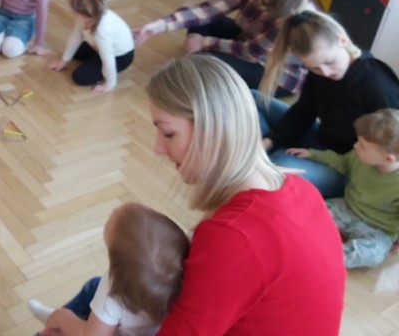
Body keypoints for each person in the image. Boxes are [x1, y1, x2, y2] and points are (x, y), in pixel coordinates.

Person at [147, 55, 345, 334]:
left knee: (98, 298)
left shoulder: (233, 235)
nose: (157, 148)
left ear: (212, 131)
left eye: (168, 134)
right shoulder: (302, 189)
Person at [133, 0, 314, 97]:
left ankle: (201, 69)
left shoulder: (291, 17)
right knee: (200, 20)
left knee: (209, 62)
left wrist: (204, 42)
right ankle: (198, 63)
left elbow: (251, 52)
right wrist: (156, 26)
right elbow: (206, 10)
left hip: (275, 73)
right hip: (248, 41)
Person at [259, 10, 399, 198]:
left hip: (351, 165)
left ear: (342, 41)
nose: (324, 72)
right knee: (253, 98)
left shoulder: (374, 81)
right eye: (314, 67)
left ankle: (271, 158)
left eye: (329, 62)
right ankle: (267, 151)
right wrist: (270, 141)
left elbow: (393, 141)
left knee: (279, 166)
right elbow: (302, 113)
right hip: (322, 141)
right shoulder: (319, 74)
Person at [27, 202, 189, 336]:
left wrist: (62, 318)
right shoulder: (185, 275)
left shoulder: (112, 292)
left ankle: (53, 326)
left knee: (80, 302)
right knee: (94, 285)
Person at [287, 109, 399, 269]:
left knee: (372, 254)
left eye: (363, 146)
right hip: (346, 208)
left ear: (387, 159)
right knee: (306, 211)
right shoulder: (358, 157)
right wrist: (312, 154)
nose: (355, 146)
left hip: (379, 230)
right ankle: (303, 242)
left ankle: (324, 256)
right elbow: (341, 161)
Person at [48, 0, 134, 93]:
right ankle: (94, 59)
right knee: (75, 52)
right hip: (97, 46)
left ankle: (98, 65)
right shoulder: (86, 16)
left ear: (78, 11)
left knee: (79, 77)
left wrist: (110, 83)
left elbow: (108, 59)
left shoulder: (102, 31)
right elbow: (76, 36)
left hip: (119, 57)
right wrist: (64, 60)